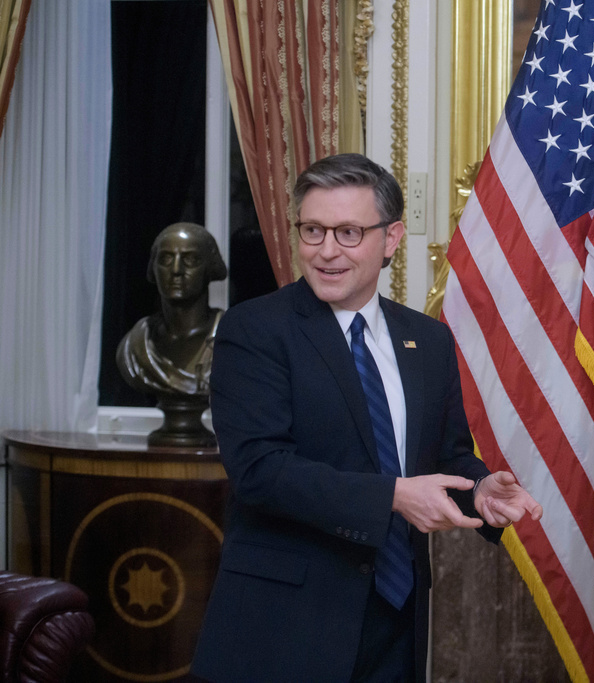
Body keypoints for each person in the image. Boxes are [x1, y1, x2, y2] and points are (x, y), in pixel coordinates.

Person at [191, 153, 542, 682]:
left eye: (349, 232)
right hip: (283, 628)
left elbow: (445, 454)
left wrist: (479, 489)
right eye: (313, 230)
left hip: (394, 624)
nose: (327, 250)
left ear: (392, 238)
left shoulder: (427, 340)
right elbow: (260, 471)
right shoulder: (255, 330)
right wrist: (394, 497)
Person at [116, 222, 227, 397]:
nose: (176, 270)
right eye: (166, 259)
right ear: (153, 267)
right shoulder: (135, 346)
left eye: (190, 259)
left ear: (210, 268)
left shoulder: (231, 341)